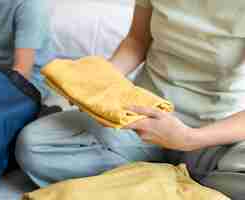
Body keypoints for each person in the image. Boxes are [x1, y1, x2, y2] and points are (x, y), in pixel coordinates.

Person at [16, 0, 245, 197]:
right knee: (32, 146)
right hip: (142, 118)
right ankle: (180, 184)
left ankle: (148, 180)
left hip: (213, 135)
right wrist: (99, 86)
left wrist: (189, 139)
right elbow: (136, 41)